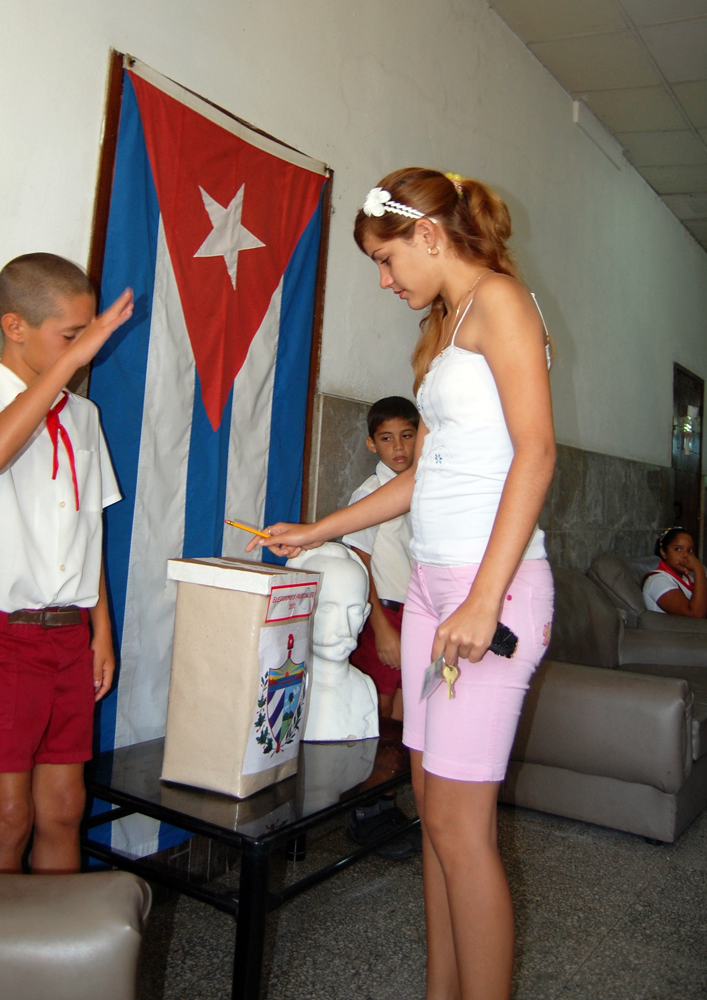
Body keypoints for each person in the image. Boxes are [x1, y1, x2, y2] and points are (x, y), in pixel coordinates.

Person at [250, 168, 555, 1000]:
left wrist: (485, 598)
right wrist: (319, 529)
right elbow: (428, 476)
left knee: (463, 828)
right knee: (432, 812)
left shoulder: (500, 302)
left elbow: (537, 452)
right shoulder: (444, 326)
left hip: (487, 593)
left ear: (428, 234)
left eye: (387, 261)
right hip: (428, 588)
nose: (385, 282)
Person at [0, 252, 134, 874]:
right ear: (15, 326)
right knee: (7, 817)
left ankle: (57, 963)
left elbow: (88, 529)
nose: (87, 349)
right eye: (73, 336)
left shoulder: (83, 416)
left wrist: (101, 632)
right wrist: (67, 369)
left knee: (62, 810)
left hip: (68, 638)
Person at [343, 395, 419, 721]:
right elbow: (359, 563)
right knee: (379, 705)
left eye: (407, 435)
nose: (399, 447)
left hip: (416, 612)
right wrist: (382, 628)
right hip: (383, 613)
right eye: (387, 438)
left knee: (408, 703)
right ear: (372, 445)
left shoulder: (423, 490)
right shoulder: (370, 494)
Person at [288, 543, 377, 741]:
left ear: (364, 616)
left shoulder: (365, 688)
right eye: (327, 608)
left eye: (354, 610)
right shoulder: (283, 690)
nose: (343, 629)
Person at [643, 526, 706, 617]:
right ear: (664, 553)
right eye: (678, 549)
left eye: (690, 550)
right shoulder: (657, 581)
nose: (686, 555)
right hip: (670, 631)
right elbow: (695, 615)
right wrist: (699, 569)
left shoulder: (687, 578)